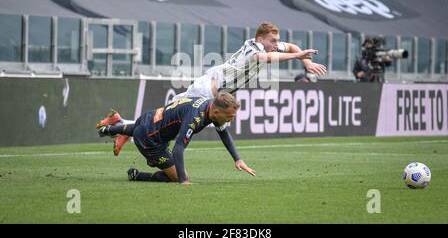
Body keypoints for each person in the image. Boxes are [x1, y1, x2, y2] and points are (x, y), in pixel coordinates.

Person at [97, 21, 327, 155]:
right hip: (207, 90)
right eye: (273, 42)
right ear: (260, 38)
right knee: (170, 124)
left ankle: (121, 124)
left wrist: (305, 61)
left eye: (277, 42)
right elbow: (265, 57)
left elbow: (291, 46)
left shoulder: (268, 44)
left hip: (212, 87)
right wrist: (298, 55)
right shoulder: (253, 48)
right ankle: (122, 127)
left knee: (163, 117)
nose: (276, 45)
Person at [97, 92, 255, 184]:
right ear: (217, 112)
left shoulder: (209, 106)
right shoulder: (195, 118)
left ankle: (108, 129)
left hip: (149, 118)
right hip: (150, 141)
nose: (231, 120)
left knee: (138, 129)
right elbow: (178, 148)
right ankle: (137, 175)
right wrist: (183, 181)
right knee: (181, 175)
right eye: (229, 116)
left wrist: (237, 159)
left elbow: (223, 133)